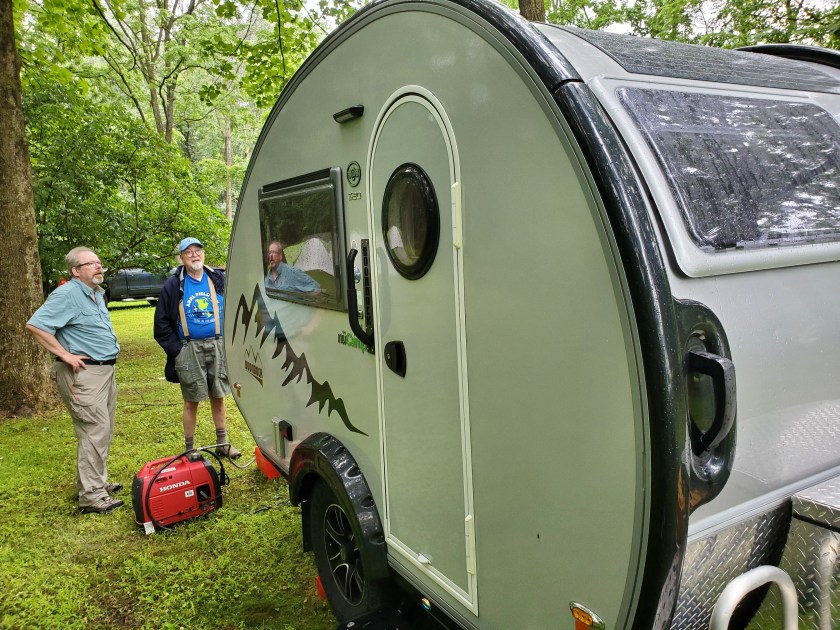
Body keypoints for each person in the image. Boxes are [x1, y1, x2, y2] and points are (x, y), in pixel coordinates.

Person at [26, 247, 123, 514]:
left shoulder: (94, 294)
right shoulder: (67, 293)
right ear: (76, 271)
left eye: (99, 262)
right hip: (84, 375)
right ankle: (91, 496)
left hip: (104, 371)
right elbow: (35, 325)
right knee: (94, 429)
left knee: (102, 429)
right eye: (91, 264)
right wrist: (63, 354)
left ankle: (96, 483)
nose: (98, 266)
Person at [154, 237, 240, 459]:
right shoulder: (174, 285)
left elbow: (236, 307)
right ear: (181, 258)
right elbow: (161, 325)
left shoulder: (218, 278)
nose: (194, 255)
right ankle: (190, 449)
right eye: (188, 252)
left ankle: (223, 443)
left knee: (219, 396)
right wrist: (178, 351)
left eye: (198, 250)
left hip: (217, 345)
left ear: (204, 254)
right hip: (189, 349)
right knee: (191, 401)